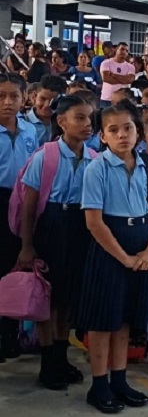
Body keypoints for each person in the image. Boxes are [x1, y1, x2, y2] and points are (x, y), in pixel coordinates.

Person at [77, 102, 148, 413]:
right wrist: (125, 258)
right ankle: (99, 384)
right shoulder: (96, 169)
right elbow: (94, 222)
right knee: (103, 322)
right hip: (109, 250)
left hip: (142, 248)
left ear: (138, 131)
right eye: (113, 130)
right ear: (102, 136)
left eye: (127, 128)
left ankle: (119, 379)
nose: (121, 135)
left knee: (126, 320)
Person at [14, 95, 94, 389]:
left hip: (79, 228)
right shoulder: (45, 156)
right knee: (46, 298)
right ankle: (48, 363)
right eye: (80, 118)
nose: (87, 124)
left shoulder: (93, 157)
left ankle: (61, 356)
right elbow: (29, 206)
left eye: (90, 118)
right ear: (61, 122)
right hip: (51, 226)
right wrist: (26, 245)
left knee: (67, 299)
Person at [0, 73, 38, 361]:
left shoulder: (29, 132)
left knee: (14, 267)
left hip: (19, 203)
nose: (7, 103)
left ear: (25, 98)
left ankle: (10, 336)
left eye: (14, 96)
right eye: (1, 96)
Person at [26, 75, 66, 146]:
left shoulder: (65, 124)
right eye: (42, 99)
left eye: (53, 101)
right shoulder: (23, 124)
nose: (47, 105)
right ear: (34, 96)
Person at [99, 42, 135, 108]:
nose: (124, 52)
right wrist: (124, 79)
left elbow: (130, 80)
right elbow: (106, 79)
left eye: (126, 51)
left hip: (123, 100)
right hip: (107, 99)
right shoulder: (106, 63)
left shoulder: (130, 67)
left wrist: (114, 75)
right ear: (115, 50)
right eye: (122, 49)